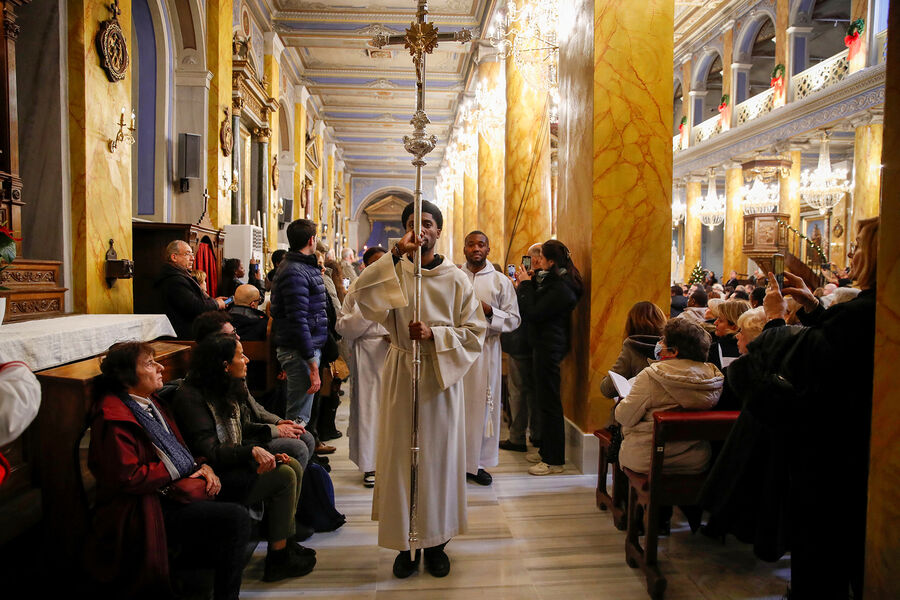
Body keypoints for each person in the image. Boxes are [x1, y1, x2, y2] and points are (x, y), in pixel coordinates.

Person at [734, 217, 878, 599]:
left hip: (835, 448)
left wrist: (775, 319)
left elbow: (797, 359)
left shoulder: (863, 314)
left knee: (823, 548)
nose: (852, 252)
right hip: (857, 439)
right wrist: (814, 306)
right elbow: (839, 338)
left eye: (860, 244)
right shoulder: (870, 309)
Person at [346, 200, 485, 578]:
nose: (420, 230)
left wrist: (434, 335)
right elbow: (359, 295)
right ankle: (405, 543)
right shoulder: (394, 271)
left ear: (439, 231)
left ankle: (437, 542)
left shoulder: (456, 279)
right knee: (399, 460)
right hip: (401, 373)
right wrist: (395, 254)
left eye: (426, 223)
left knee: (438, 461)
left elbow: (475, 332)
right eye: (412, 224)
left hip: (440, 380)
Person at [85, 341, 250, 599]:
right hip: (141, 507)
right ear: (128, 375)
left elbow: (177, 449)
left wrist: (201, 465)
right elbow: (130, 477)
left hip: (167, 490)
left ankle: (198, 577)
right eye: (150, 363)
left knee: (238, 485)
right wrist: (185, 466)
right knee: (236, 518)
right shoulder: (112, 417)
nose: (161, 367)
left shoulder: (149, 402)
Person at [173, 334, 317, 582]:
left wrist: (263, 446)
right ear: (224, 365)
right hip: (215, 474)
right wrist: (251, 452)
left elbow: (242, 429)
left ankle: (284, 544)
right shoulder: (191, 397)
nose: (247, 359)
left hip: (232, 461)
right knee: (283, 475)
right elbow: (211, 451)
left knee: (289, 463)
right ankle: (278, 558)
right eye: (240, 355)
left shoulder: (224, 386)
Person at [615, 319, 723, 475]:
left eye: (663, 340)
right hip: (696, 458)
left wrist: (623, 401)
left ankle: (626, 498)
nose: (659, 343)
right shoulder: (712, 376)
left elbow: (625, 417)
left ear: (674, 351)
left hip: (648, 458)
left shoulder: (651, 376)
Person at [515, 239, 583, 476]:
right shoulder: (553, 282)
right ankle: (546, 450)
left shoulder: (561, 288)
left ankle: (554, 460)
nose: (537, 261)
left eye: (541, 257)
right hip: (544, 345)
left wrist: (524, 285)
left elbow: (534, 312)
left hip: (549, 347)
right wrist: (531, 282)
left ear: (551, 261)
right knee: (544, 401)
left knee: (550, 403)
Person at [460, 231, 520, 486]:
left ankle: (477, 464)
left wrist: (489, 311)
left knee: (483, 409)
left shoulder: (500, 282)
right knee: (456, 408)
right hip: (456, 352)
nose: (476, 248)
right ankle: (453, 461)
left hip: (486, 353)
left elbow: (514, 320)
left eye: (481, 244)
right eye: (471, 244)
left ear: (488, 248)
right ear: (464, 248)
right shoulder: (453, 277)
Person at [335, 246, 390, 488]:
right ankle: (371, 465)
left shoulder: (402, 285)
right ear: (365, 267)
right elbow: (342, 325)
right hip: (367, 353)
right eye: (374, 263)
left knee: (394, 410)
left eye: (384, 261)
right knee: (369, 409)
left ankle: (393, 463)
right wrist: (370, 310)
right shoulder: (356, 291)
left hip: (394, 352)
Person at [270, 219, 327, 427]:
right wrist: (312, 363)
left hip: (304, 348)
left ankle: (304, 456)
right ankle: (295, 457)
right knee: (298, 418)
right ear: (312, 240)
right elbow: (298, 320)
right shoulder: (295, 271)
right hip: (300, 351)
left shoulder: (299, 267)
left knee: (303, 414)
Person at [500, 242, 544, 453]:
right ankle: (536, 434)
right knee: (534, 391)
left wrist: (517, 288)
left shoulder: (530, 282)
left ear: (535, 259)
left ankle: (517, 437)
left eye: (528, 258)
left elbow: (522, 310)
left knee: (517, 391)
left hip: (521, 342)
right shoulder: (547, 280)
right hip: (537, 344)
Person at [156, 240, 224, 339]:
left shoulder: (180, 275)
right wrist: (216, 304)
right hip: (182, 336)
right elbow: (196, 307)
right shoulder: (174, 280)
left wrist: (213, 301)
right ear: (174, 257)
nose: (192, 258)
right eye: (187, 254)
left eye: (192, 254)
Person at [600, 301, 666, 399]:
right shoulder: (673, 346)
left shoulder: (631, 347)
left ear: (631, 324)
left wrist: (605, 379)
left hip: (641, 409)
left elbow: (608, 389)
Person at [708, 299, 751, 370]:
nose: (715, 323)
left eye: (720, 320)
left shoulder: (714, 350)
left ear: (735, 326)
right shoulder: (757, 350)